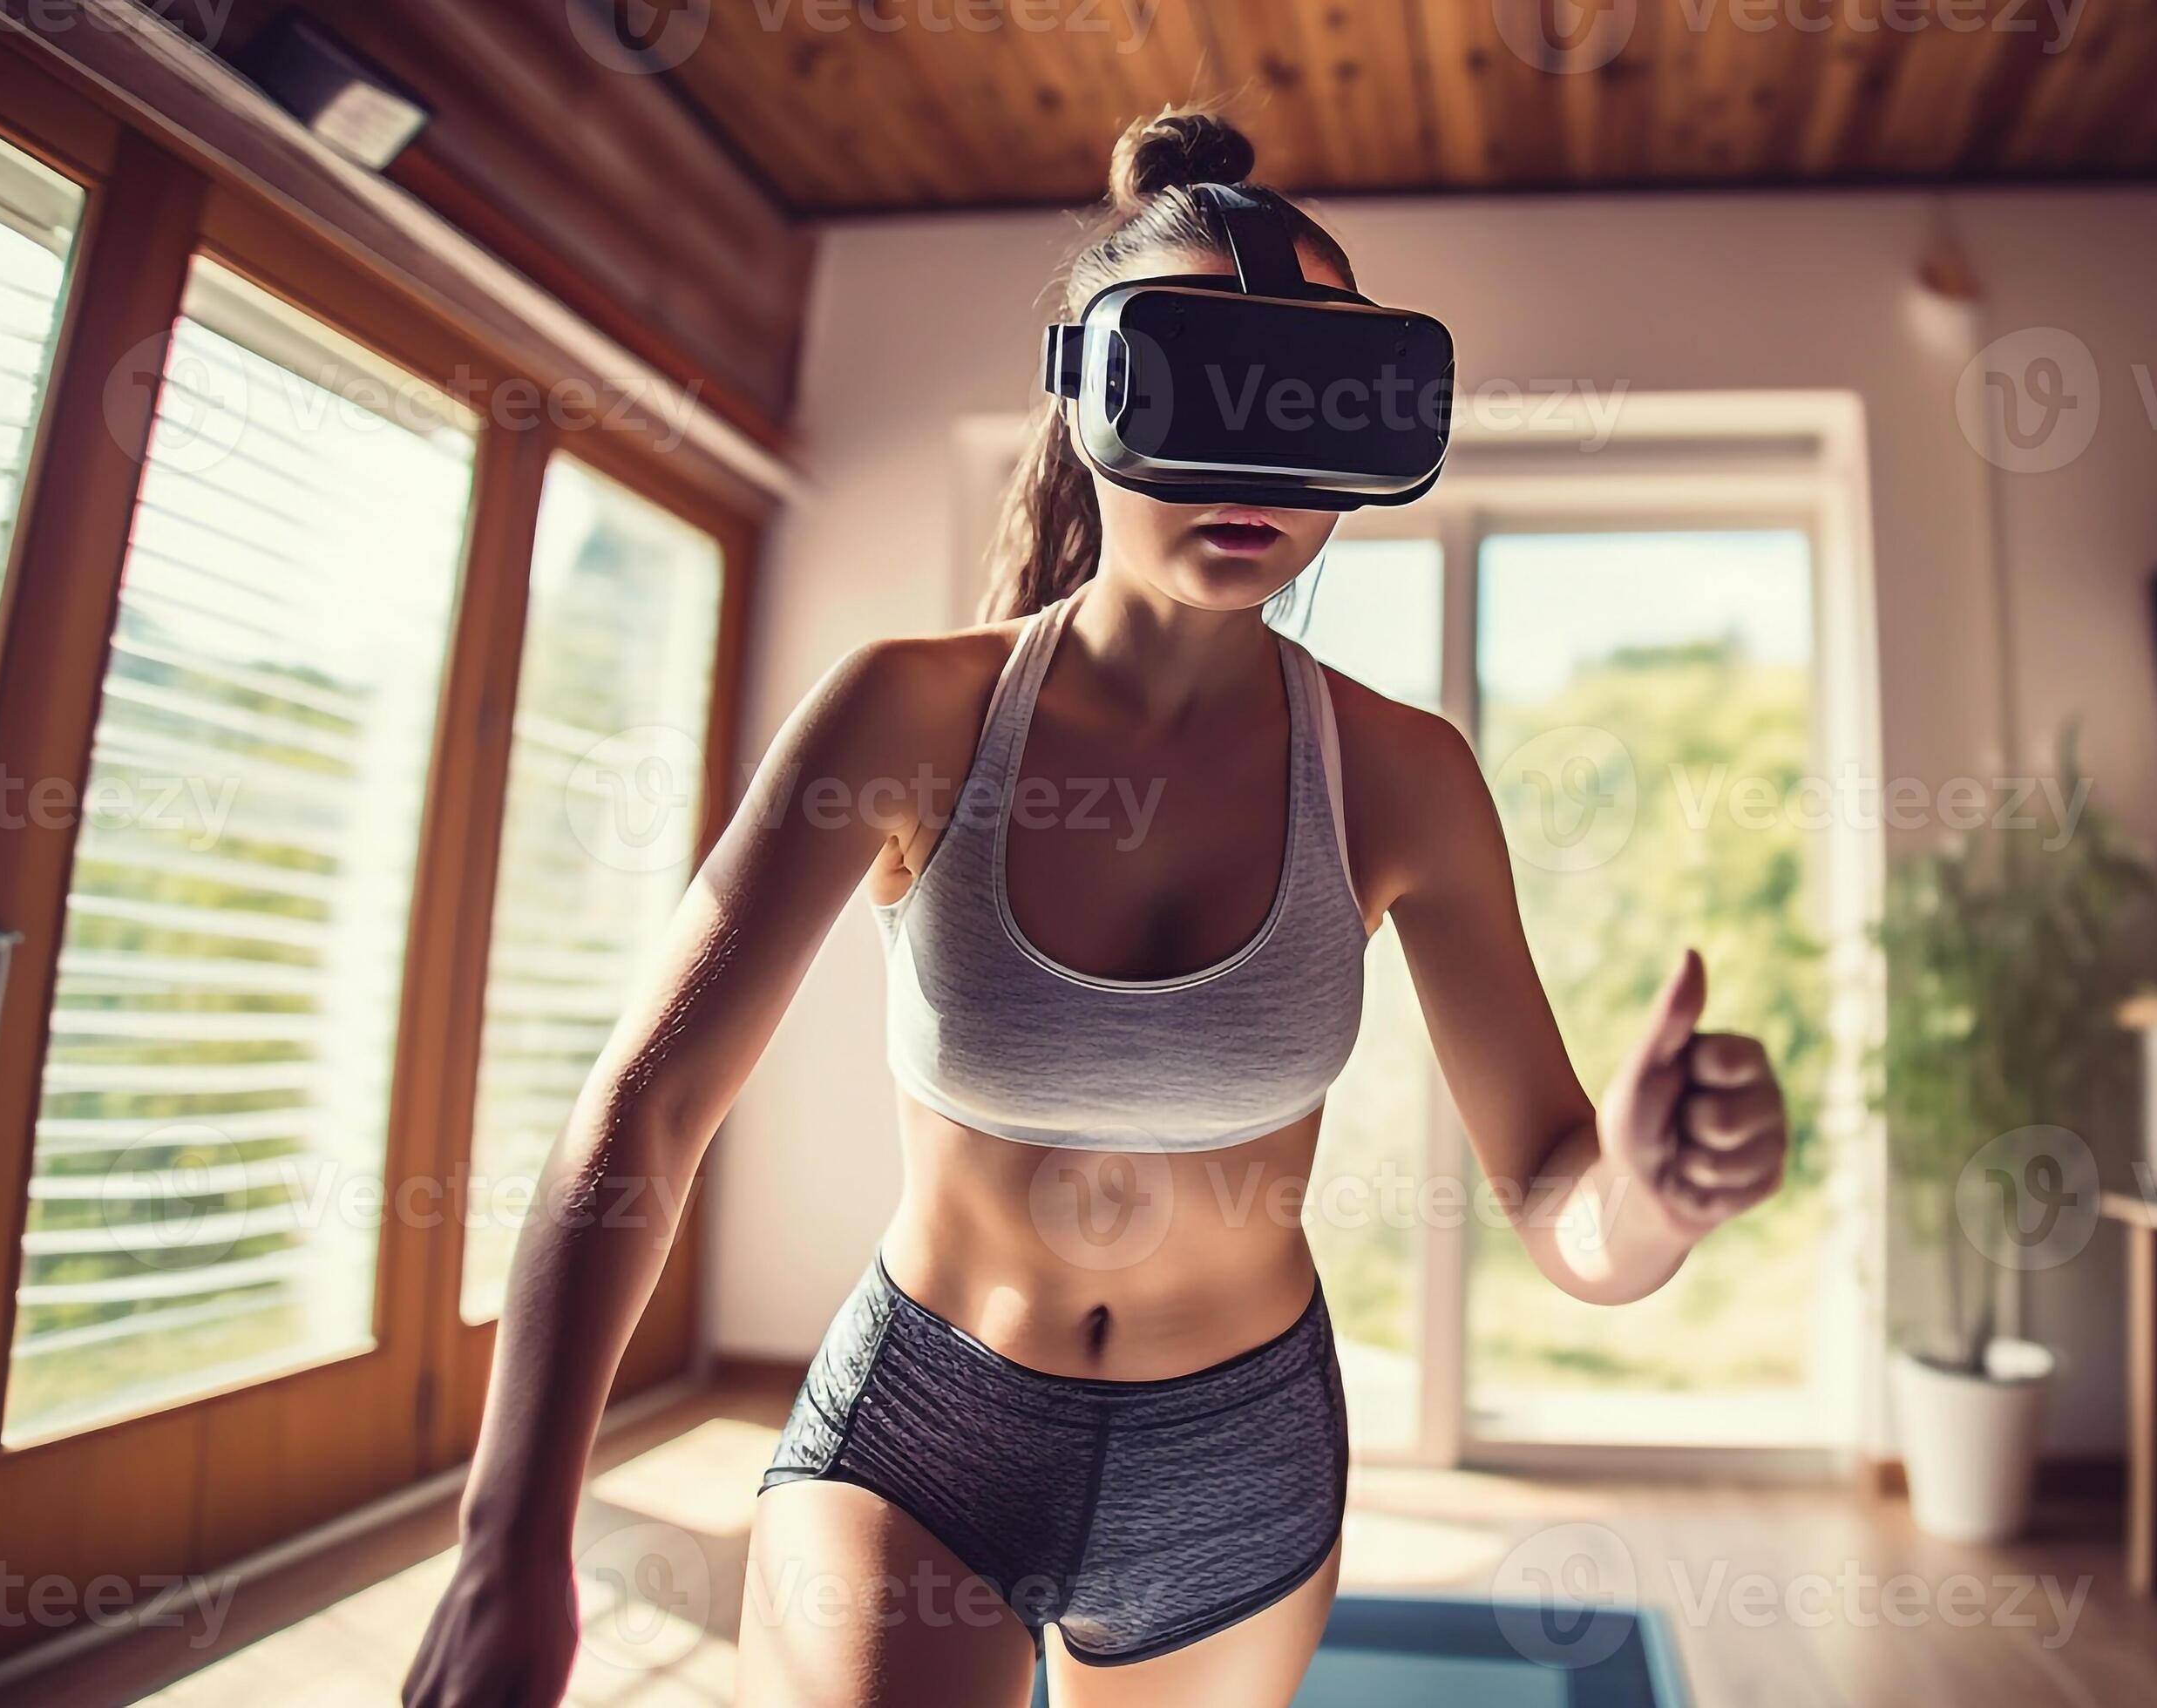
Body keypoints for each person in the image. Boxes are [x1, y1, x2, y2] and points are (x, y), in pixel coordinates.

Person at [403, 106, 1787, 1708]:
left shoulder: (1404, 779)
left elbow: (1567, 1208)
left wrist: (1656, 1197)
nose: (1253, 464)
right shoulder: (908, 717)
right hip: (926, 1431)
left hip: (1240, 1457)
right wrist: (508, 1546)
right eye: (1202, 387)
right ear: (1086, 397)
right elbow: (640, 1120)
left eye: (1310, 402)